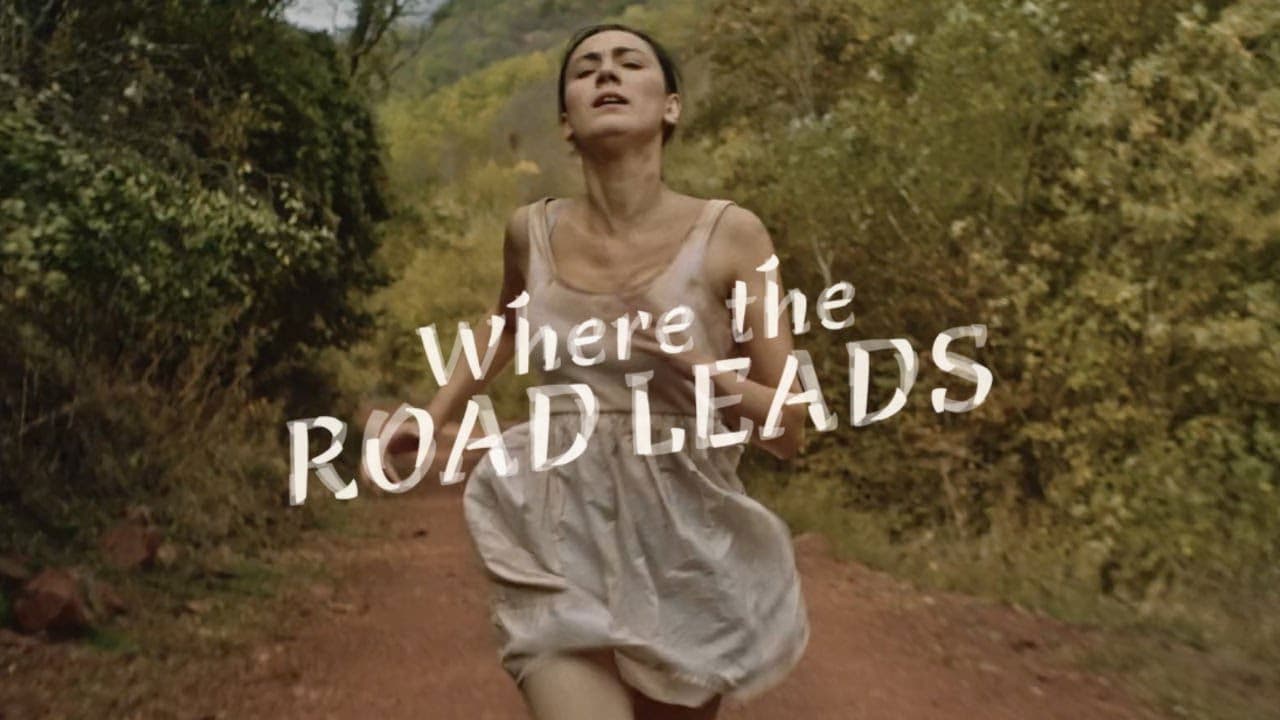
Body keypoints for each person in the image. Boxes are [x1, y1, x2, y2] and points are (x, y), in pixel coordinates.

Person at [383, 23, 812, 720]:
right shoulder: (531, 232)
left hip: (683, 549)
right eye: (585, 69)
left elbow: (789, 428)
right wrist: (433, 417)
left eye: (628, 63)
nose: (605, 74)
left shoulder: (732, 235)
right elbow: (507, 320)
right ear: (565, 122)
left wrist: (696, 365)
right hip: (554, 536)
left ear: (670, 106)